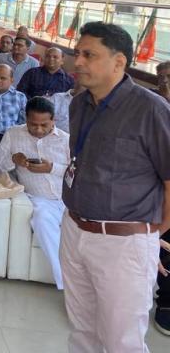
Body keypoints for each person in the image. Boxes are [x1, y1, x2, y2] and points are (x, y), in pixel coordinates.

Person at [60, 22, 170, 352]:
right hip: (75, 228)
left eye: (89, 55)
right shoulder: (79, 104)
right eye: (77, 53)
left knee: (121, 341)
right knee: (82, 331)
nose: (78, 61)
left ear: (118, 61)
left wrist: (152, 235)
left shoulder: (151, 110)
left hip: (122, 242)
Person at [0, 96, 70, 289]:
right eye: (33, 124)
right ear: (26, 119)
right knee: (42, 220)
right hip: (40, 199)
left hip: (68, 199)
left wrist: (51, 168)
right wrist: (14, 160)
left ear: (53, 120)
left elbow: (77, 172)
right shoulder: (13, 134)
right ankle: (67, 284)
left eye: (44, 125)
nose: (38, 129)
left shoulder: (66, 140)